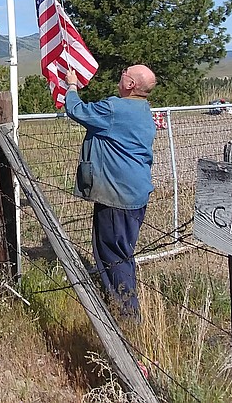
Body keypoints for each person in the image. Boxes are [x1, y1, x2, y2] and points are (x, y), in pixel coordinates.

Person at [64, 65, 157, 322]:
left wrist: (72, 85)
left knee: (113, 254)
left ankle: (127, 313)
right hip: (135, 193)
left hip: (118, 196)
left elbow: (76, 110)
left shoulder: (117, 108)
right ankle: (120, 301)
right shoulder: (141, 110)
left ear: (130, 85)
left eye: (123, 74)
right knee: (121, 249)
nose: (120, 76)